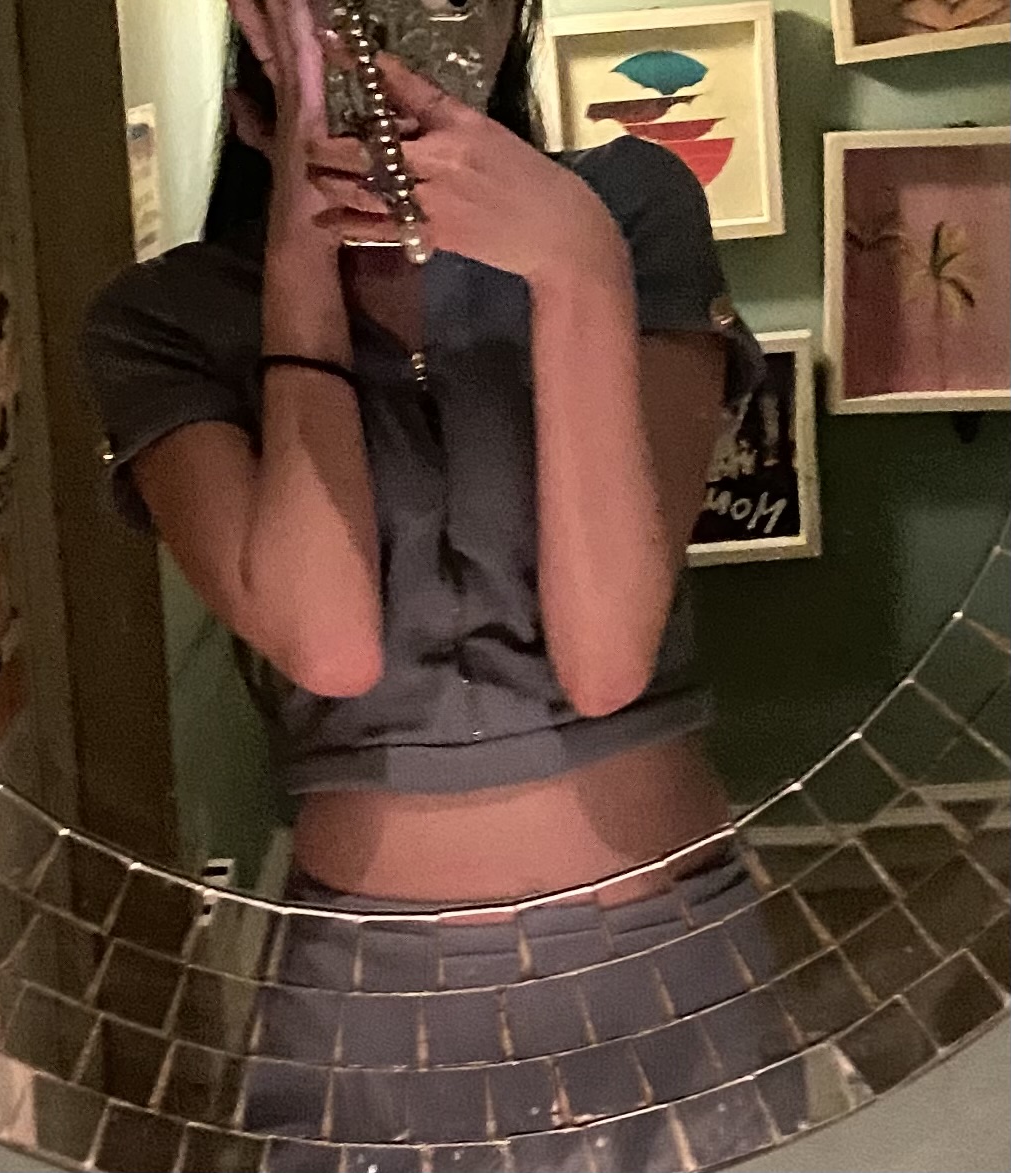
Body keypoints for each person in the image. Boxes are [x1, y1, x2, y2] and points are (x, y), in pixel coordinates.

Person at [82, 0, 769, 1153]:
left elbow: (607, 657)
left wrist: (578, 271)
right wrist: (301, 265)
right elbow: (328, 642)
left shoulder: (627, 207)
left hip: (666, 958)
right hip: (370, 999)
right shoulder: (164, 320)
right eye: (339, 46)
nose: (384, 68)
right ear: (256, 88)